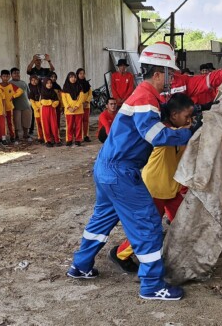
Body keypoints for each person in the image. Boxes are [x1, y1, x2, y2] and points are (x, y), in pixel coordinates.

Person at [68, 41, 194, 301]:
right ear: (158, 73)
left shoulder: (143, 95)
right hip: (121, 172)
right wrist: (186, 134)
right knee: (148, 223)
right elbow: (154, 135)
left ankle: (80, 266)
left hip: (106, 168)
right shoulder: (146, 98)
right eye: (169, 73)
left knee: (101, 221)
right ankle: (151, 285)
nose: (172, 78)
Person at [110, 93, 197, 273]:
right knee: (147, 230)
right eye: (186, 117)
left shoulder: (180, 132)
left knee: (184, 222)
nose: (190, 121)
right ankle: (120, 253)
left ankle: (179, 255)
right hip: (154, 189)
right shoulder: (165, 133)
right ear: (174, 116)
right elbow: (173, 135)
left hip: (171, 188)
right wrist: (194, 129)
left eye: (191, 117)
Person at [0, 69, 23, 143]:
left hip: (9, 107)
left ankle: (12, 136)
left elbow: (20, 91)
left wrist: (13, 96)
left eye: (7, 76)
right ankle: (0, 137)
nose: (5, 78)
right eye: (4, 76)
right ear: (1, 77)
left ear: (9, 77)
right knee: (1, 123)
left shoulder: (11, 85)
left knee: (10, 123)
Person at [62, 72, 85, 147]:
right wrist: (69, 107)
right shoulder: (65, 88)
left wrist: (76, 107)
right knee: (69, 126)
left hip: (78, 110)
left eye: (74, 77)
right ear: (68, 78)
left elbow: (81, 98)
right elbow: (64, 100)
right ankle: (69, 139)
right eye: (71, 77)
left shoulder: (80, 86)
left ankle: (78, 140)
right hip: (69, 111)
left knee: (78, 126)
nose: (73, 79)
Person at [10, 68, 33, 142]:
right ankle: (16, 135)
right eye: (14, 73)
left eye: (18, 73)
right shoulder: (10, 84)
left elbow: (28, 93)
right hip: (16, 106)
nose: (16, 74)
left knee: (26, 121)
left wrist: (29, 103)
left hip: (26, 105)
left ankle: (26, 134)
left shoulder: (23, 82)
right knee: (16, 122)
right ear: (11, 75)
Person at [39, 78, 62, 147]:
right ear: (44, 84)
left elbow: (57, 101)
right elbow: (42, 101)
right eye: (47, 83)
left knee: (54, 125)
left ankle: (57, 140)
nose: (49, 84)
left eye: (50, 83)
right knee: (46, 125)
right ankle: (48, 141)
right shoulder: (42, 92)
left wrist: (51, 103)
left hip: (52, 110)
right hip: (44, 110)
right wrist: (51, 102)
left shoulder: (53, 92)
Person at [77, 68, 93, 142]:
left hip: (86, 105)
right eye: (80, 73)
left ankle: (86, 135)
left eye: (83, 73)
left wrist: (86, 102)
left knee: (86, 120)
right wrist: (80, 103)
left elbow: (90, 94)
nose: (82, 75)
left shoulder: (87, 83)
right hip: (78, 106)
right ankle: (79, 135)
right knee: (79, 121)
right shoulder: (75, 84)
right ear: (77, 74)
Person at [28, 75, 45, 143]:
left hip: (43, 107)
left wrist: (41, 106)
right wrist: (35, 108)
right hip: (36, 109)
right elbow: (31, 100)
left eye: (35, 80)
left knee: (44, 123)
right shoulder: (30, 88)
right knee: (38, 124)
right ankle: (40, 137)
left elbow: (44, 97)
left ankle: (46, 136)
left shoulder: (42, 87)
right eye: (32, 80)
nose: (34, 82)